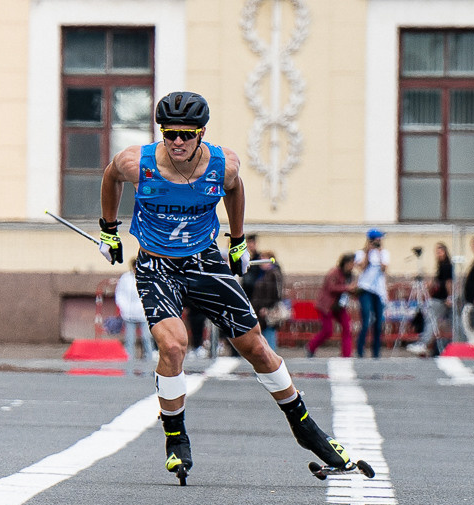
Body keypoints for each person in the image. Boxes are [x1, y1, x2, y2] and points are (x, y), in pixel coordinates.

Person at [95, 91, 369, 484]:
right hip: (156, 264)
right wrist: (109, 231)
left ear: (201, 133)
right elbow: (110, 177)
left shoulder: (222, 165)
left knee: (255, 346)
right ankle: (176, 437)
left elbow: (235, 189)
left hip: (204, 259)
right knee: (173, 345)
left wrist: (237, 241)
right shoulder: (136, 163)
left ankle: (305, 426)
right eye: (169, 134)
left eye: (186, 135)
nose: (176, 142)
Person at [306, 254, 356, 358]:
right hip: (327, 305)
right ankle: (311, 347)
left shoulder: (350, 275)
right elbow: (331, 287)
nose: (352, 266)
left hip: (340, 306)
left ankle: (346, 355)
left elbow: (350, 289)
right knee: (327, 331)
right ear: (345, 263)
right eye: (351, 263)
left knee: (347, 328)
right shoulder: (334, 273)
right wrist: (347, 287)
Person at [352, 228, 391, 359]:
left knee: (378, 322)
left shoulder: (384, 253)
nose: (378, 242)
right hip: (365, 289)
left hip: (379, 291)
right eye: (376, 240)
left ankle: (376, 352)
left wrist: (379, 253)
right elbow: (361, 268)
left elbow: (384, 268)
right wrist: (368, 252)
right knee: (366, 320)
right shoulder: (361, 253)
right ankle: (360, 349)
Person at [411, 242, 454, 357]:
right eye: (436, 252)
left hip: (441, 299)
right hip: (438, 298)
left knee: (430, 319)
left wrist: (450, 297)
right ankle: (429, 344)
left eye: (440, 251)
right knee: (432, 320)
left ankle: (424, 343)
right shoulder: (441, 266)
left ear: (445, 252)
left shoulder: (446, 266)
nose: (438, 254)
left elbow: (449, 283)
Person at [242, 239, 284, 351]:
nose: (261, 261)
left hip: (267, 310)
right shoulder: (264, 274)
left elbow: (274, 293)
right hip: (262, 309)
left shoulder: (272, 274)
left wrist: (267, 307)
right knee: (265, 333)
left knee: (269, 333)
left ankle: (271, 356)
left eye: (264, 259)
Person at [115, 267, 151, 360]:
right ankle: (129, 365)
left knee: (146, 338)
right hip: (129, 314)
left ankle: (149, 363)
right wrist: (123, 307)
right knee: (130, 340)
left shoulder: (147, 276)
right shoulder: (126, 278)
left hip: (144, 313)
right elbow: (120, 293)